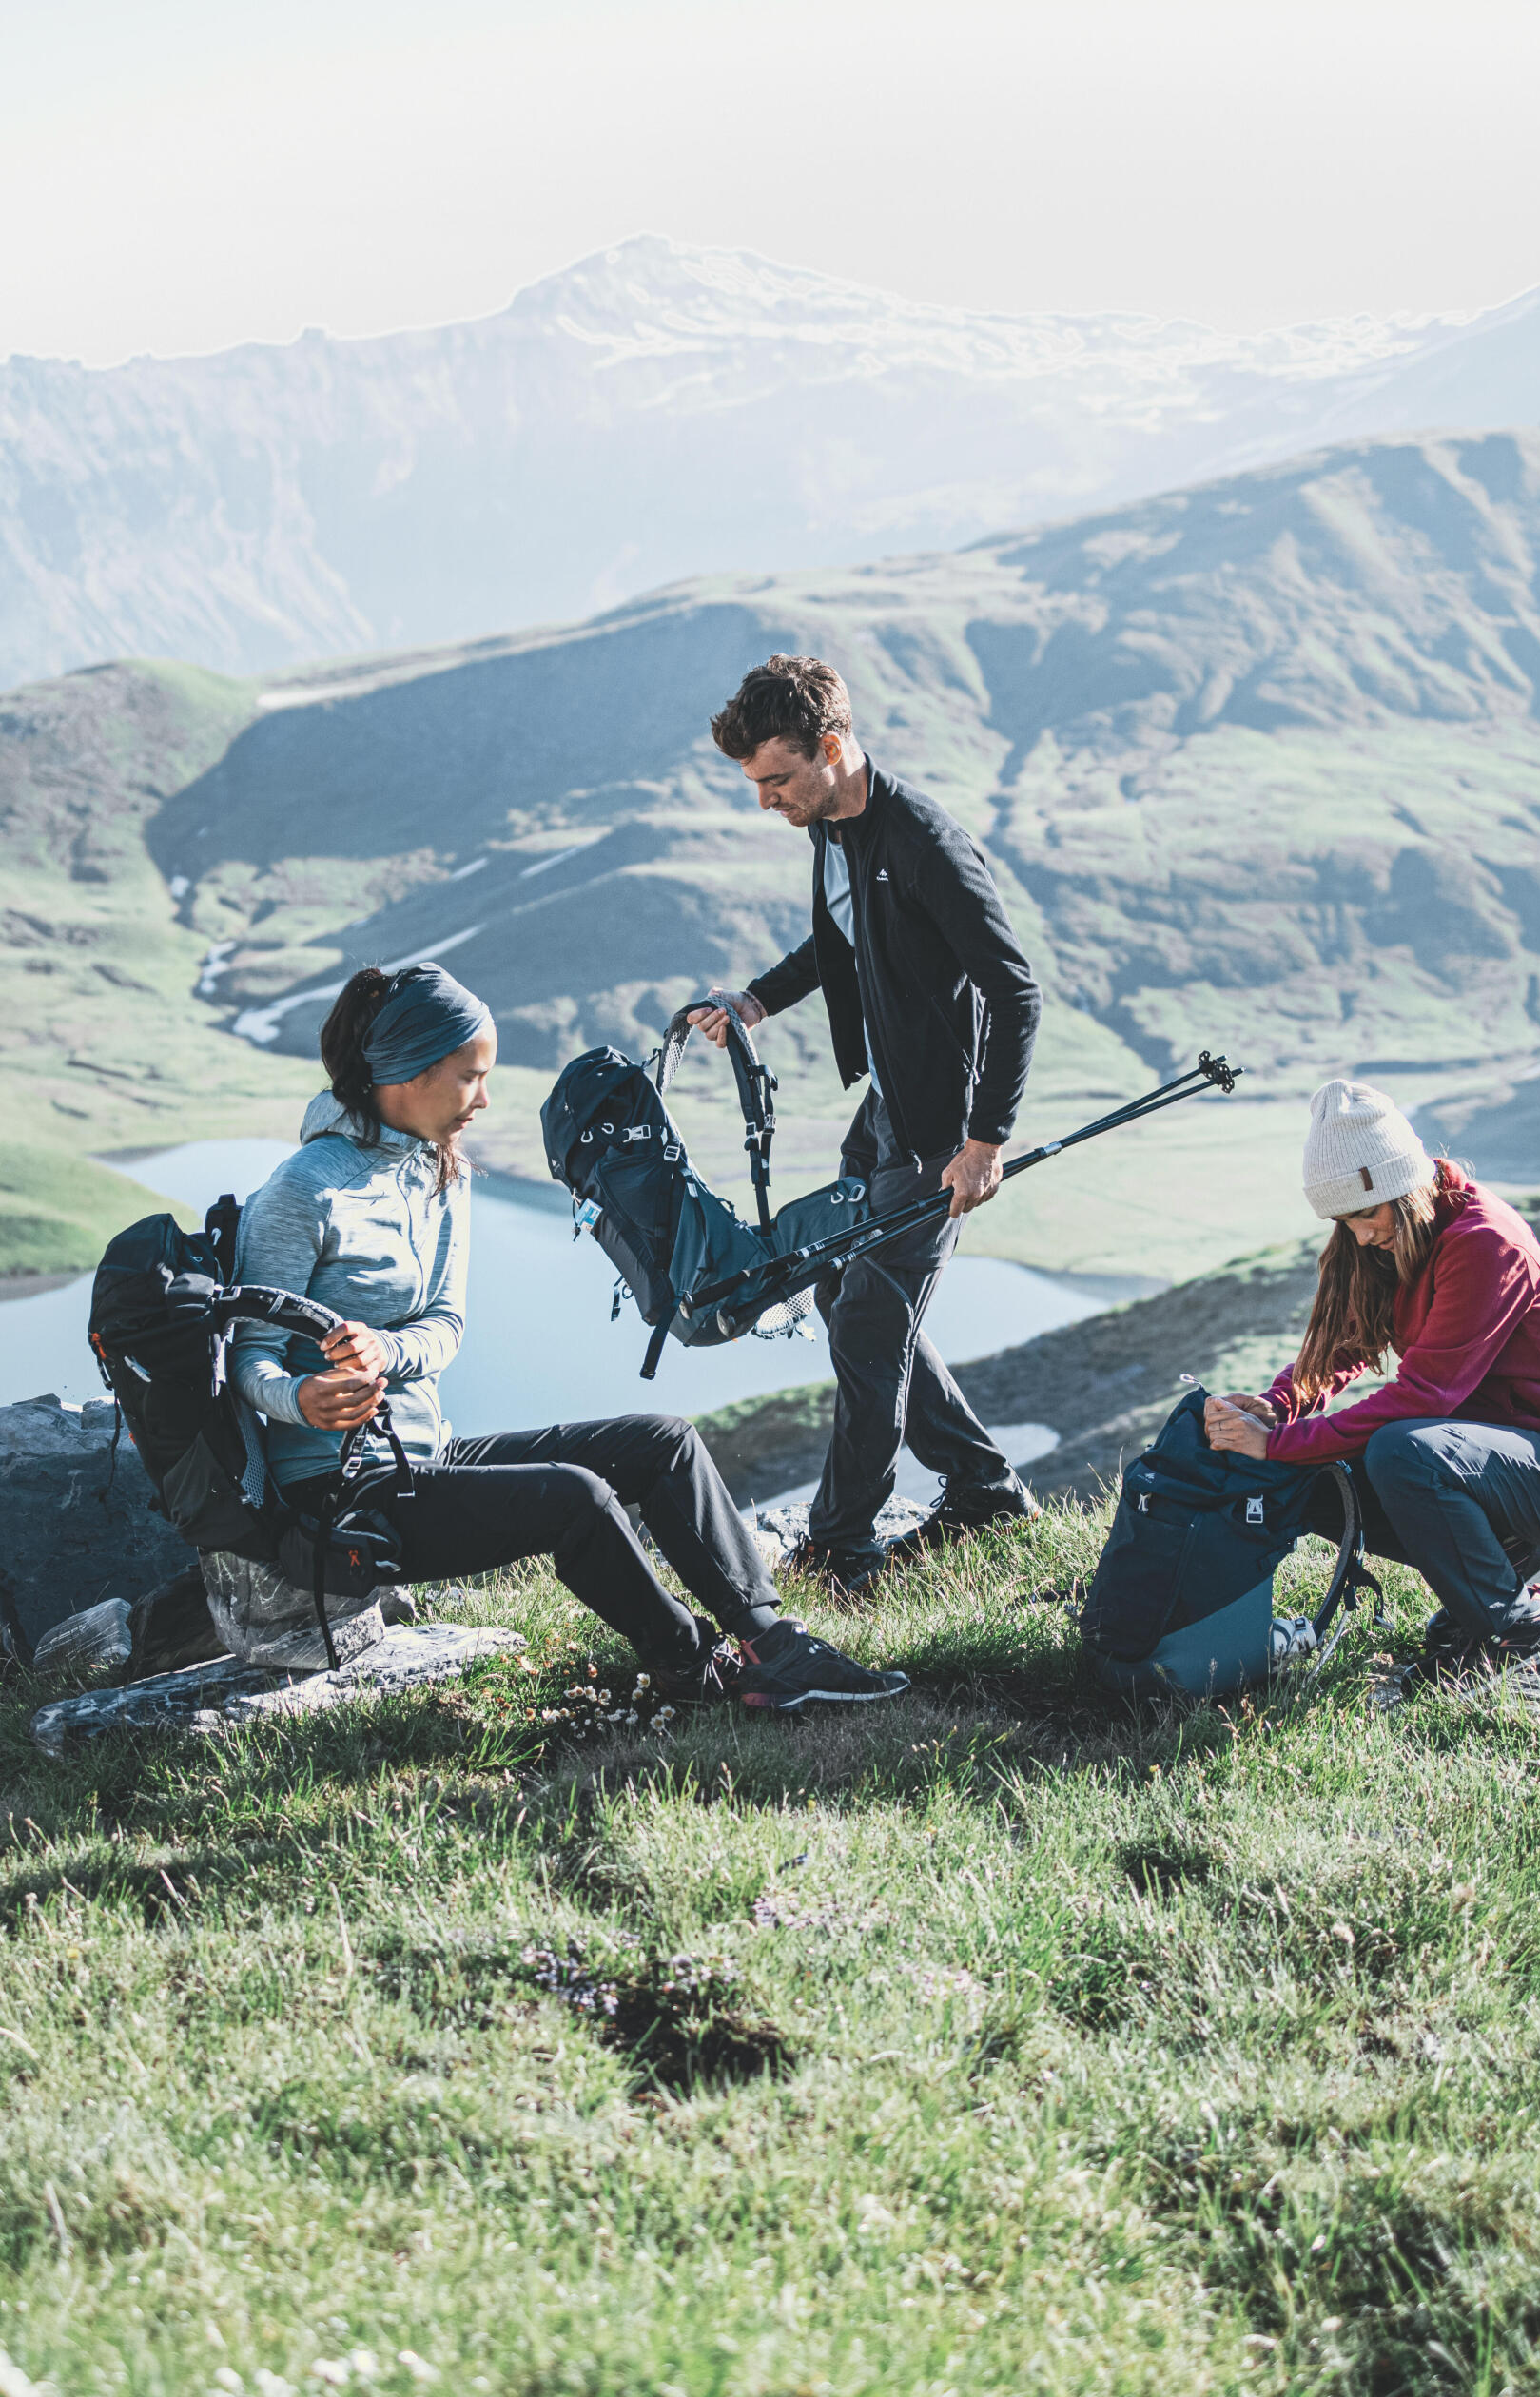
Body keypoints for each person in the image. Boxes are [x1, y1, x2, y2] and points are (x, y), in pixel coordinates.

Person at [228, 960, 908, 1710]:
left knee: (664, 1442)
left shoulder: (437, 1170)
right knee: (575, 1498)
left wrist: (389, 1352)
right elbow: (248, 1361)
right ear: (405, 1074)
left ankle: (774, 1643)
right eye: (468, 1078)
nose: (484, 1100)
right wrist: (303, 1396)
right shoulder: (302, 1191)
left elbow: (445, 1326)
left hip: (420, 1452)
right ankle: (694, 1669)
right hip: (341, 1492)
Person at [692, 653, 1043, 1595]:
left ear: (832, 746)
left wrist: (986, 1140)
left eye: (776, 779)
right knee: (835, 1285)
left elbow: (1016, 992)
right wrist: (759, 1001)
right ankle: (982, 1489)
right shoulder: (835, 831)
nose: (765, 801)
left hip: (937, 1135)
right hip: (884, 1111)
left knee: (867, 1338)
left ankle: (840, 1546)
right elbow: (841, 941)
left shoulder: (922, 838)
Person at [1204, 1080, 1540, 1691]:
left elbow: (1424, 1397)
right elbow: (1343, 1347)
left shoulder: (1484, 1243)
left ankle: (1523, 1638)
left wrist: (1273, 1446)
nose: (1359, 1235)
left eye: (1365, 1215)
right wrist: (1279, 1409)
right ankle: (1512, 1560)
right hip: (1494, 1457)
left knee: (1400, 1452)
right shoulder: (1397, 1234)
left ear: (1402, 1186)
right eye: (1343, 1221)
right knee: (1318, 1479)